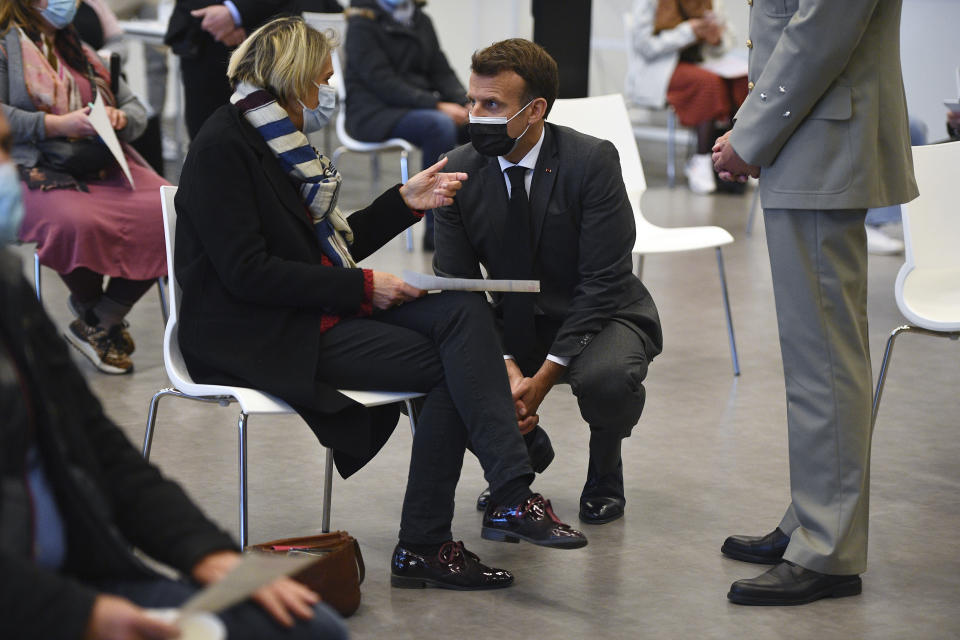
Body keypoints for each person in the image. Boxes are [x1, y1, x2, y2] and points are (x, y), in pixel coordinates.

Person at [175, 17, 587, 591]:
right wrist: (364, 288)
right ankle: (446, 530)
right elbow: (248, 275)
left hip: (305, 309)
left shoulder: (276, 142)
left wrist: (404, 202)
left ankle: (499, 499)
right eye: (322, 79)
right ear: (293, 82)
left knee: (460, 310)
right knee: (452, 368)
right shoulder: (224, 147)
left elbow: (326, 249)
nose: (329, 93)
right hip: (259, 331)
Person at [0, 110, 348, 640]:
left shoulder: (7, 289)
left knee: (307, 627)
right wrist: (83, 618)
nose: (13, 173)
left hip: (79, 579)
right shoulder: (229, 144)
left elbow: (99, 445)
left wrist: (211, 557)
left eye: (6, 150)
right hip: (38, 606)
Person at [712, 0, 918, 605]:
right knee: (819, 356)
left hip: (823, 144)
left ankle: (827, 548)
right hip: (813, 140)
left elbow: (818, 35)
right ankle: (814, 517)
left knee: (825, 360)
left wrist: (751, 134)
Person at [433, 39, 663, 526]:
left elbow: (603, 280)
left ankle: (605, 470)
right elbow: (456, 281)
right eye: (473, 101)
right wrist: (507, 365)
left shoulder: (591, 161)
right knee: (446, 369)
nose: (475, 114)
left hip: (602, 311)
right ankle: (516, 464)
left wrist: (545, 375)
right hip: (512, 315)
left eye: (492, 105)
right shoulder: (458, 168)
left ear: (534, 110)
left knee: (607, 379)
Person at [1, 0, 170, 375]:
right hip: (32, 164)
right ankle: (96, 311)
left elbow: (135, 107)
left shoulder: (80, 50)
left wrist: (121, 117)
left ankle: (100, 319)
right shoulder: (4, 46)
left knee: (173, 211)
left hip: (100, 161)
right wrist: (55, 125)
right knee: (73, 221)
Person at [344, 0, 470, 250]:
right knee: (439, 125)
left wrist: (468, 104)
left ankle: (477, 221)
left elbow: (441, 71)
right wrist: (436, 105)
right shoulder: (361, 23)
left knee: (477, 125)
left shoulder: (421, 20)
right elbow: (382, 82)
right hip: (373, 112)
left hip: (417, 107)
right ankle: (437, 233)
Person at [626, 0, 747, 194]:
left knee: (742, 80)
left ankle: (737, 157)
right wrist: (688, 32)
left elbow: (727, 40)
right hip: (661, 70)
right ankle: (701, 159)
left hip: (703, 65)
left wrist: (716, 38)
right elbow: (645, 45)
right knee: (708, 84)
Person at [165, 0, 296, 138]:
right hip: (204, 43)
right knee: (208, 141)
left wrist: (235, 13)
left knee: (277, 141)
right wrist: (218, 20)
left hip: (269, 40)